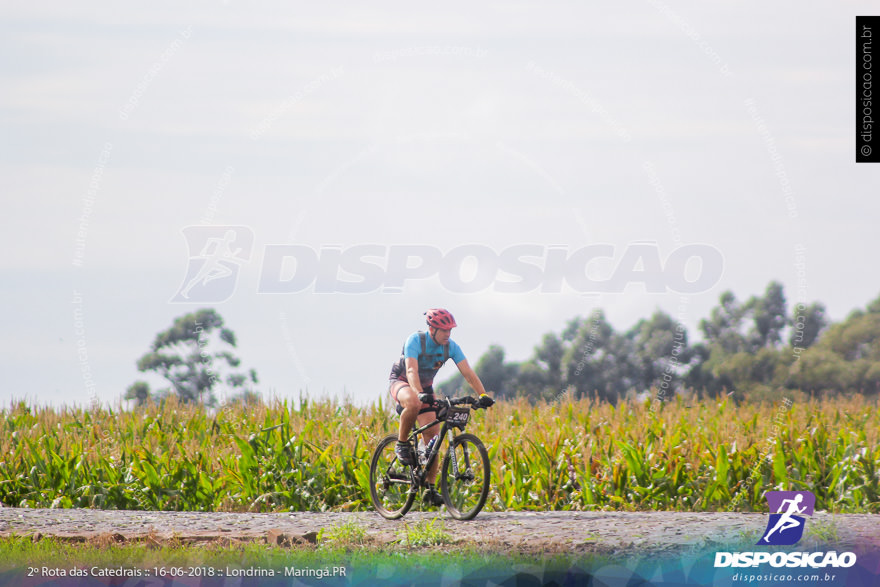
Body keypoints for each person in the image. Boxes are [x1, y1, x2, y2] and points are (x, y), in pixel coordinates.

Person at [388, 308, 494, 506]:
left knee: (433, 437)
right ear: (432, 329)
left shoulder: (450, 347)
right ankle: (401, 444)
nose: (448, 334)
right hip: (402, 381)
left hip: (425, 387)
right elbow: (411, 370)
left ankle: (430, 488)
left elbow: (468, 372)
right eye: (444, 330)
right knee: (413, 401)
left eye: (450, 330)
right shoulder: (415, 340)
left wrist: (482, 395)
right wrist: (419, 393)